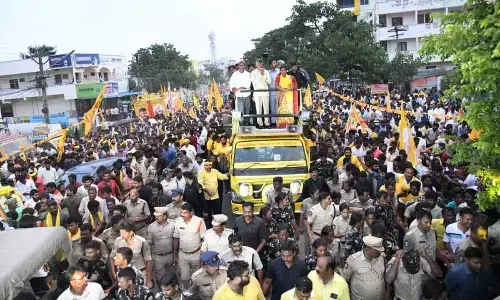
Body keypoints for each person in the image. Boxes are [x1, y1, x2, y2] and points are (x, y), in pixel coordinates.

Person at [110, 220, 153, 289]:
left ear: (131, 232)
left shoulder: (141, 241)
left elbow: (148, 260)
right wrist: (114, 274)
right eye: (120, 233)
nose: (121, 235)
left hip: (140, 272)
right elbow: (112, 257)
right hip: (124, 275)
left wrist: (149, 280)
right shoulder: (118, 241)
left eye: (124, 233)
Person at [173, 202, 206, 290]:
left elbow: (204, 239)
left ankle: (196, 292)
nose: (182, 215)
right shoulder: (178, 222)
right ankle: (187, 291)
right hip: (182, 254)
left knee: (197, 276)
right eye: (182, 212)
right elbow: (176, 238)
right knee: (184, 277)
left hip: (196, 254)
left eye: (185, 213)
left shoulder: (199, 221)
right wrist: (175, 255)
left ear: (191, 213)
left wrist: (203, 256)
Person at [342, 235, 386, 300]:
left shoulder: (381, 257)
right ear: (367, 249)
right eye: (377, 250)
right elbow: (344, 280)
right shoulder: (353, 260)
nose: (380, 252)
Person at [147, 207, 175, 285]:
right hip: (158, 257)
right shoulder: (151, 227)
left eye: (158, 215)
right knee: (160, 278)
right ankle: (162, 293)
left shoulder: (173, 224)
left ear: (165, 216)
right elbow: (149, 243)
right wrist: (150, 258)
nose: (156, 217)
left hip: (171, 255)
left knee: (173, 276)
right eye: (155, 215)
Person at [250, 59, 272, 127]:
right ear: (256, 65)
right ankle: (260, 123)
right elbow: (254, 83)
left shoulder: (266, 71)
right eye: (258, 64)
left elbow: (269, 81)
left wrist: (263, 74)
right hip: (257, 93)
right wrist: (261, 75)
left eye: (261, 64)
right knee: (258, 108)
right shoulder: (253, 72)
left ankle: (266, 123)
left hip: (265, 92)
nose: (259, 65)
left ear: (262, 64)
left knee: (266, 108)